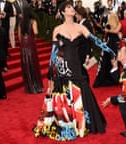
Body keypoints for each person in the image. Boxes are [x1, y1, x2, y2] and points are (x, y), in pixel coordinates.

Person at [33, 1, 112, 141]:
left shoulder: (81, 27)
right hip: (62, 68)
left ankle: (81, 122)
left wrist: (110, 51)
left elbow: (95, 40)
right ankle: (66, 122)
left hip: (76, 66)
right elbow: (53, 54)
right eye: (68, 7)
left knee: (81, 91)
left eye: (72, 7)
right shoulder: (57, 29)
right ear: (63, 12)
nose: (72, 9)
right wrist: (50, 76)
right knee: (62, 94)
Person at [18, 6, 44, 94]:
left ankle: (29, 87)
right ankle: (36, 85)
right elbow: (36, 32)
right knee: (33, 63)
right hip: (31, 42)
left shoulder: (21, 22)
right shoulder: (33, 21)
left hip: (23, 43)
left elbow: (19, 36)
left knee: (25, 63)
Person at [93, 12, 121, 88]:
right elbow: (116, 33)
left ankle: (108, 79)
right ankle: (114, 79)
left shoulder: (109, 26)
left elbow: (107, 34)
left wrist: (108, 31)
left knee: (107, 63)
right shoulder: (117, 25)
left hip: (109, 46)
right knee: (114, 63)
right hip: (113, 46)